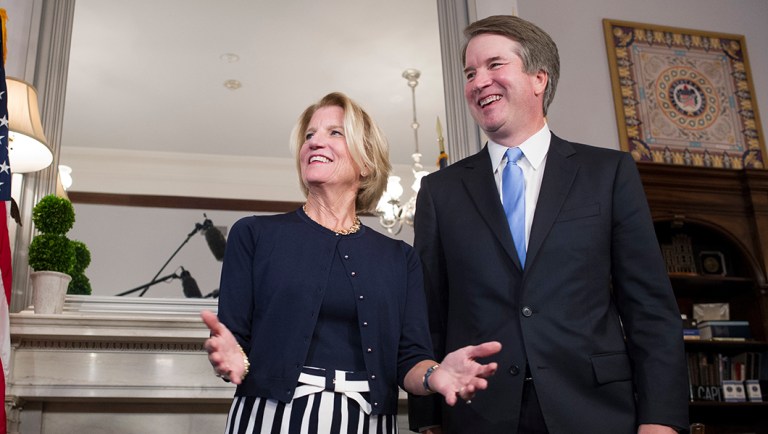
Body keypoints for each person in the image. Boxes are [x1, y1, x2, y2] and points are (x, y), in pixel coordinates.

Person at [407, 15, 689, 434]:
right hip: (477, 414)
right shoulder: (439, 191)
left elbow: (650, 309)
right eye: (470, 72)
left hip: (595, 410)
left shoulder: (607, 173)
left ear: (539, 78)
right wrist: (428, 420)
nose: (478, 81)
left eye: (494, 65)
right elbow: (428, 313)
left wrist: (661, 421)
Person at [201, 91, 502, 434]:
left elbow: (411, 360)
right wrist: (231, 359)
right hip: (269, 418)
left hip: (367, 423)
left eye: (335, 133)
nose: (315, 142)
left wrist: (436, 375)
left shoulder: (400, 258)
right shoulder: (254, 234)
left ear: (366, 163)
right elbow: (233, 342)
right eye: (309, 135)